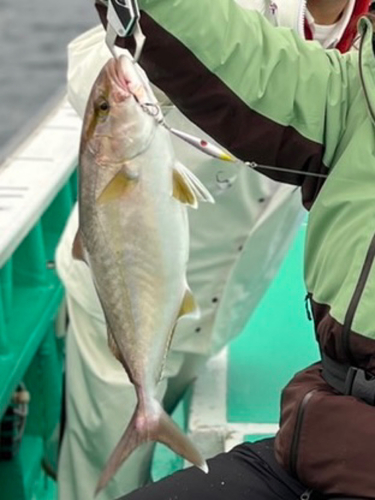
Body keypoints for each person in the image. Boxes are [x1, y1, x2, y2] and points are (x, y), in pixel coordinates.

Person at [56, 0, 369, 499]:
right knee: (100, 477)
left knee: (152, 420)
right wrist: (154, 73)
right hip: (120, 295)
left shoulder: (361, 46)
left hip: (223, 306)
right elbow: (90, 74)